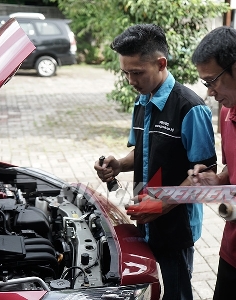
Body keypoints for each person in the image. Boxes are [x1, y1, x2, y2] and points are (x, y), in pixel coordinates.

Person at [94, 24, 217, 300]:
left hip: (177, 226)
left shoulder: (190, 107)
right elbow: (143, 151)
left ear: (161, 63)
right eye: (125, 72)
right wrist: (119, 164)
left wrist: (164, 204)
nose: (130, 80)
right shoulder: (142, 101)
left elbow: (206, 172)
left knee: (177, 293)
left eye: (136, 72)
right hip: (146, 218)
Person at [188, 26, 236, 300]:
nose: (209, 93)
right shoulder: (226, 113)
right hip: (231, 252)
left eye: (212, 81)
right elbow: (231, 168)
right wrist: (217, 180)